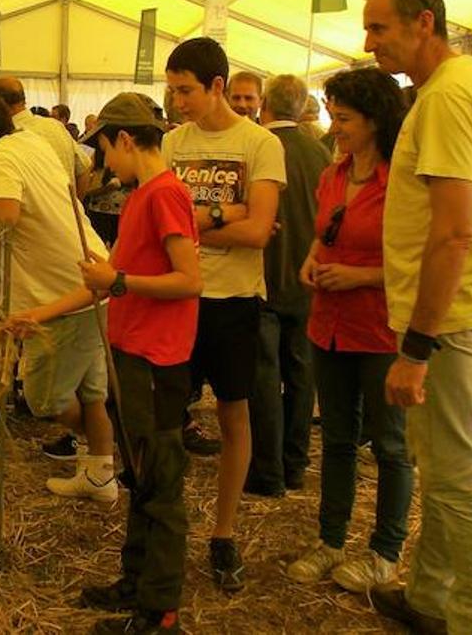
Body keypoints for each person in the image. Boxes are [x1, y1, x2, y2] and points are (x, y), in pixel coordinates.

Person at [361, 0, 472, 635]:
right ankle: (429, 597)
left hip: (447, 321)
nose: (370, 43)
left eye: (380, 28)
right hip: (469, 305)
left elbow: (454, 229)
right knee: (442, 465)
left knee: (457, 479)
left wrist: (417, 347)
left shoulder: (449, 98)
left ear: (423, 22)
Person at [54, 93, 202, 635]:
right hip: (134, 355)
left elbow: (189, 280)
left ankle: (159, 612)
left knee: (161, 487)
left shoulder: (165, 195)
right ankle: (135, 583)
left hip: (156, 363)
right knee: (141, 477)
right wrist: (38, 314)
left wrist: (117, 281)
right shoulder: (142, 195)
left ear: (124, 139)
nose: (103, 162)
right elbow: (112, 279)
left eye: (104, 151)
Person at [163, 37, 285, 592]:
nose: (179, 102)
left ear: (217, 86)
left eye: (186, 90)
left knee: (235, 415)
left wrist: (199, 216)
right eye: (173, 91)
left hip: (234, 300)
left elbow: (259, 231)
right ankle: (166, 524)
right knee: (166, 418)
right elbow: (162, 226)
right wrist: (227, 213)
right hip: (178, 297)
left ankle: (224, 530)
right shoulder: (171, 146)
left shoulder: (260, 144)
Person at [286, 67, 413, 595]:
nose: (334, 127)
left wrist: (360, 275)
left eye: (344, 118)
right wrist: (312, 262)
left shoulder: (402, 184)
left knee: (389, 442)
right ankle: (331, 539)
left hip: (380, 329)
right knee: (337, 438)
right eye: (332, 116)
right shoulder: (333, 175)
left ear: (376, 121)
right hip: (329, 324)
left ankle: (385, 551)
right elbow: (324, 233)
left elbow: (417, 260)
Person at [0, 93, 114, 502]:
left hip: (61, 292)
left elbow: (4, 215)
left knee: (44, 398)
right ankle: (100, 471)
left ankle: (105, 451)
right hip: (92, 275)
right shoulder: (31, 141)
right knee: (91, 391)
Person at [246, 74, 331, 497]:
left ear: (265, 105)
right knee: (302, 373)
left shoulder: (259, 148)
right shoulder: (322, 153)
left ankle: (267, 471)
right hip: (308, 279)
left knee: (264, 375)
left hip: (264, 274)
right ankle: (295, 463)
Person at [0, 77, 92, 191]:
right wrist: (75, 204)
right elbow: (84, 168)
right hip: (66, 205)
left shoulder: (5, 136)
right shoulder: (55, 126)